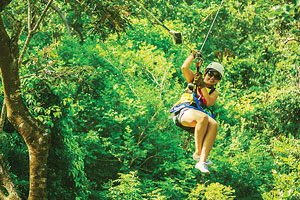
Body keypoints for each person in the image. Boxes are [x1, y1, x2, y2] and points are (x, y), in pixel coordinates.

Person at [170, 50, 224, 174]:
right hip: (183, 110)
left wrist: (203, 86)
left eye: (217, 77)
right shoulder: (193, 79)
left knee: (214, 124)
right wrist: (192, 56)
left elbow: (208, 102)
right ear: (206, 72)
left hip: (197, 113)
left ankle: (202, 161)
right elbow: (184, 67)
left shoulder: (213, 92)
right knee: (203, 118)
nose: (212, 78)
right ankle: (198, 153)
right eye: (211, 74)